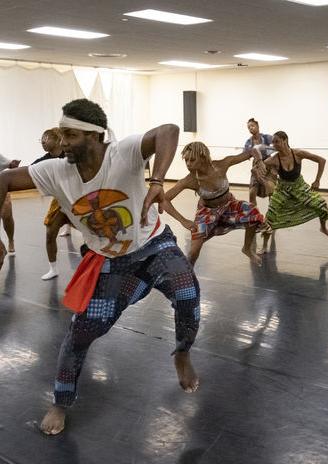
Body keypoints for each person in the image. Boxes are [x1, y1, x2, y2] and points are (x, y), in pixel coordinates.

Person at [0, 98, 201, 435]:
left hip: (155, 247)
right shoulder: (54, 170)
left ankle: (182, 353)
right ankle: (60, 402)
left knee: (189, 296)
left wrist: (157, 182)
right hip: (111, 264)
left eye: (71, 136)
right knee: (80, 334)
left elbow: (168, 131)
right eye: (61, 134)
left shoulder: (123, 153)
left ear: (95, 136)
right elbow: (3, 180)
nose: (62, 143)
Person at [162, 141, 265, 266]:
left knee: (252, 211)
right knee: (193, 252)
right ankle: (189, 276)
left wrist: (259, 161)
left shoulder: (222, 165)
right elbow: (164, 200)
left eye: (192, 160)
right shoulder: (190, 180)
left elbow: (252, 151)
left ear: (203, 157)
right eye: (186, 160)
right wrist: (183, 221)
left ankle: (247, 248)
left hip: (229, 206)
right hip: (207, 213)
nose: (188, 164)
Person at [259, 131, 328, 254]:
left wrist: (317, 181)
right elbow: (258, 167)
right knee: (270, 215)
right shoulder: (274, 159)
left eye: (276, 141)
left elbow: (322, 160)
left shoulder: (298, 154)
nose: (274, 144)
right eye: (273, 142)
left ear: (285, 140)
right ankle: (264, 245)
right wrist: (262, 176)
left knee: (320, 203)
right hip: (282, 189)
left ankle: (323, 228)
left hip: (299, 186)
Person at [32, 128, 72, 280]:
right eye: (41, 138)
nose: (42, 141)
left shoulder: (71, 154)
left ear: (57, 139)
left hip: (79, 199)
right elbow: (30, 171)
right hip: (61, 200)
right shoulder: (44, 160)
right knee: (50, 233)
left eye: (46, 137)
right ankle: (53, 268)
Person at [244, 118, 276, 205]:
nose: (251, 128)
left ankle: (272, 213)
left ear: (257, 126)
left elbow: (277, 146)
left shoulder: (267, 137)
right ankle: (254, 214)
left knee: (271, 192)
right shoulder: (248, 142)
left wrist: (264, 148)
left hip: (269, 164)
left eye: (252, 126)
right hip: (256, 166)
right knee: (252, 192)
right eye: (249, 127)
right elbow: (245, 154)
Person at [0, 154, 20, 255]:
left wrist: (13, 163)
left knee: (7, 216)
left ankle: (11, 240)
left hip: (1, 186)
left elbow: (8, 163)